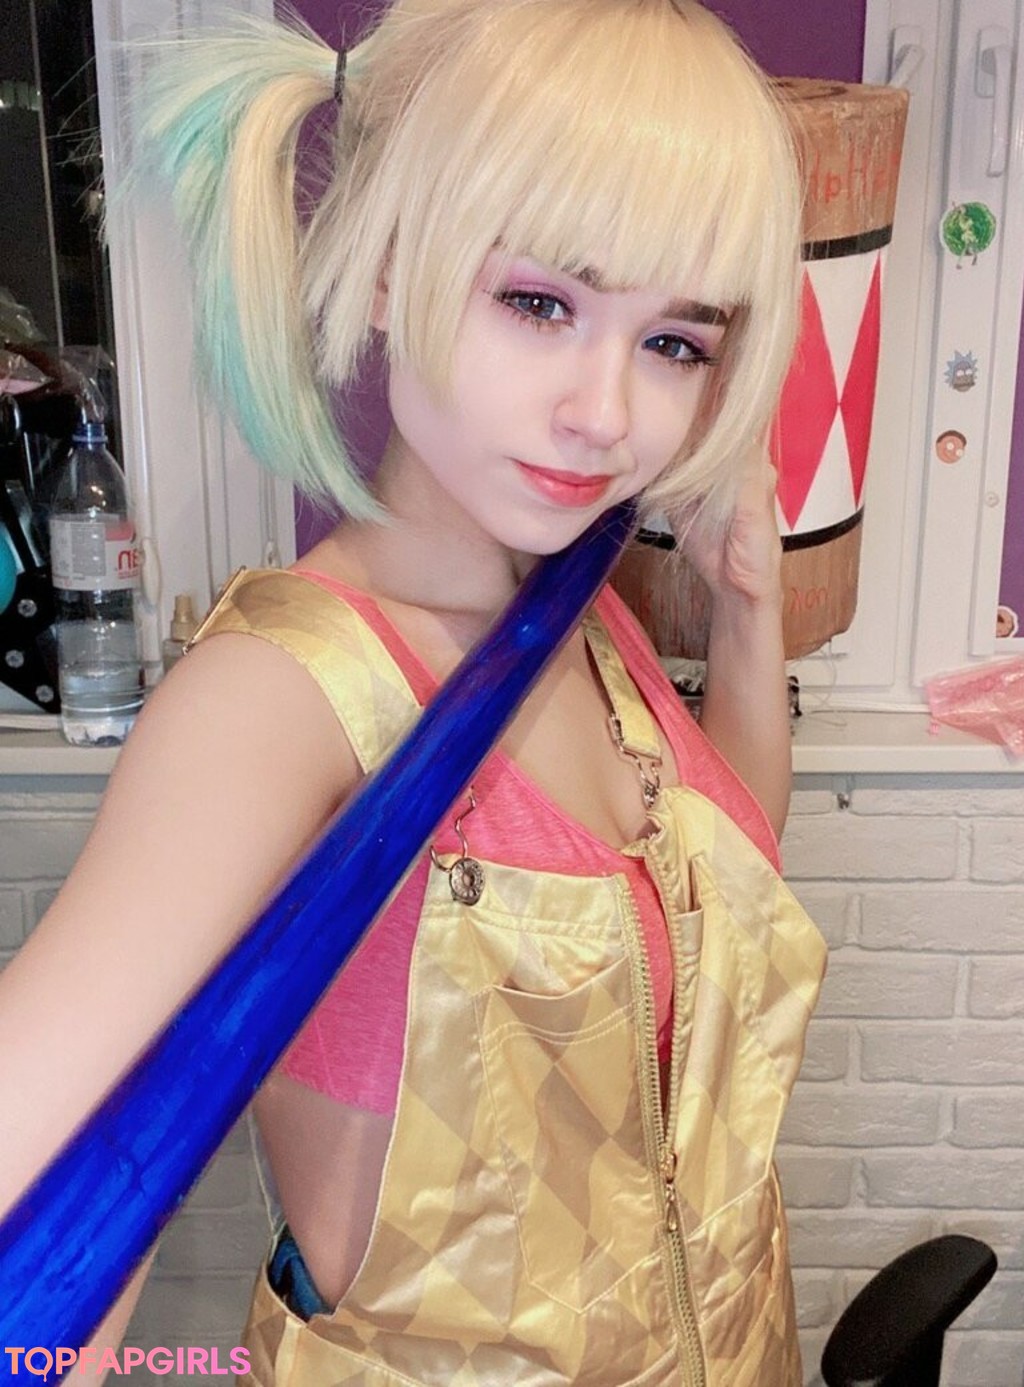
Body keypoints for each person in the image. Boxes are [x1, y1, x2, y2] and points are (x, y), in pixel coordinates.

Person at [0, 1, 827, 1382]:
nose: (606, 413)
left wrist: (749, 617)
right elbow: (41, 1194)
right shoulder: (283, 702)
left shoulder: (576, 610)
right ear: (389, 268)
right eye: (540, 304)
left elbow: (728, 870)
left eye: (674, 342)